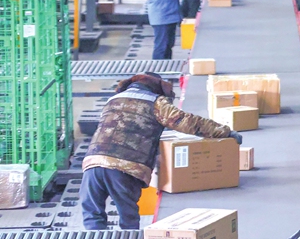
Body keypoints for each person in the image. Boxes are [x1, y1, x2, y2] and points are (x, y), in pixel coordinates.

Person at [81, 72, 241, 230]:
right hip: (124, 168)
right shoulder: (155, 103)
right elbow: (187, 122)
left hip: (92, 164)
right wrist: (224, 132)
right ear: (157, 88)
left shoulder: (112, 100)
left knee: (92, 215)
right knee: (128, 219)